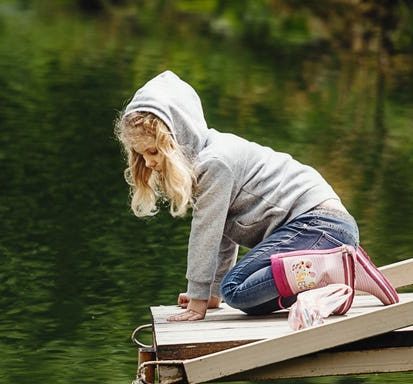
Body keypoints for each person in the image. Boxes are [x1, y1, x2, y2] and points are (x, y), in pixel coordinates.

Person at [116, 70, 398, 322]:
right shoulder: (206, 159)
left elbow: (205, 232)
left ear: (177, 139)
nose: (149, 162)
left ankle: (338, 266)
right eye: (141, 155)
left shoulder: (214, 162)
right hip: (321, 231)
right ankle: (331, 274)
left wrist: (198, 298)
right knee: (248, 297)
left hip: (318, 224)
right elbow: (222, 234)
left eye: (153, 152)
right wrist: (211, 295)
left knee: (236, 290)